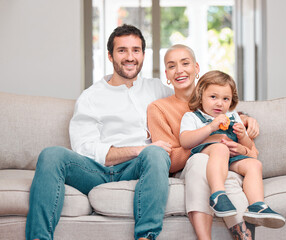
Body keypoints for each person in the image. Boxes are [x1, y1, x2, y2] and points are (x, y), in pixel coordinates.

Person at [25, 24, 174, 240]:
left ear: (143, 54)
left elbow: (196, 104)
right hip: (97, 171)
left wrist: (238, 116)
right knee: (51, 154)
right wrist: (139, 149)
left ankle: (146, 236)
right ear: (110, 56)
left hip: (137, 168)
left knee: (157, 153)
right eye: (122, 50)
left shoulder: (157, 89)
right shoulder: (91, 96)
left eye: (136, 50)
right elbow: (85, 148)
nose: (130, 57)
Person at [147, 44, 260, 240]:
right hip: (191, 168)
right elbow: (169, 161)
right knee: (201, 162)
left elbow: (252, 155)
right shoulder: (158, 108)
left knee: (230, 179)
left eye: (185, 63)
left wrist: (244, 128)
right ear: (166, 73)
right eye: (172, 66)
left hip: (226, 166)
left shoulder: (218, 102)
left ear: (197, 68)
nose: (180, 70)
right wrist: (212, 142)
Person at [179, 70, 286, 229]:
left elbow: (249, 148)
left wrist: (242, 136)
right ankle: (218, 195)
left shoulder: (234, 117)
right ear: (201, 96)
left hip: (231, 159)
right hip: (207, 156)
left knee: (254, 165)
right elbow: (185, 141)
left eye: (225, 99)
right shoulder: (192, 117)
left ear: (231, 101)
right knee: (220, 148)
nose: (219, 103)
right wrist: (211, 127)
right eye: (213, 97)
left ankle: (257, 205)